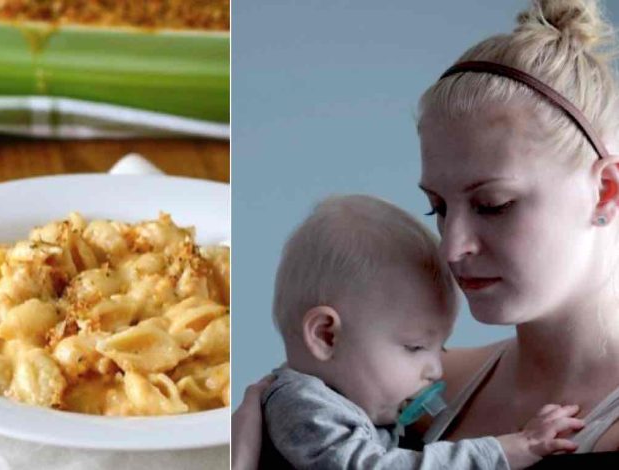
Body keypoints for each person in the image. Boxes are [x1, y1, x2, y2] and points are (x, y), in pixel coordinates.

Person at [232, 0, 619, 467]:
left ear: (606, 191)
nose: (452, 248)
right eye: (437, 207)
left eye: (492, 205)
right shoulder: (399, 387)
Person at [260, 195, 584, 469]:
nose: (436, 370)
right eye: (415, 347)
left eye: (439, 349)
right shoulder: (303, 409)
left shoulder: (352, 406)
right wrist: (508, 450)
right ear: (326, 336)